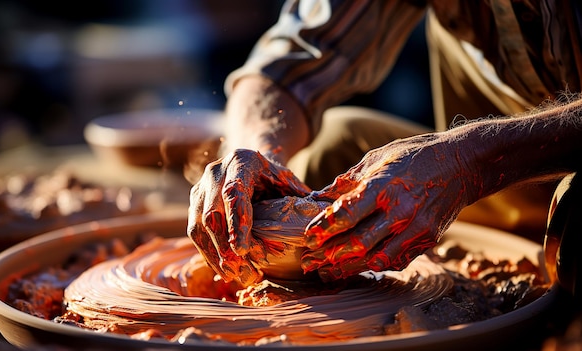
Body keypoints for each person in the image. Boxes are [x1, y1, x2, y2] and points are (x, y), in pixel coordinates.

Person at [187, 0, 582, 286]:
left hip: (547, 165)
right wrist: (259, 152)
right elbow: (289, 61)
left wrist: (469, 162)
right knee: (332, 146)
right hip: (503, 191)